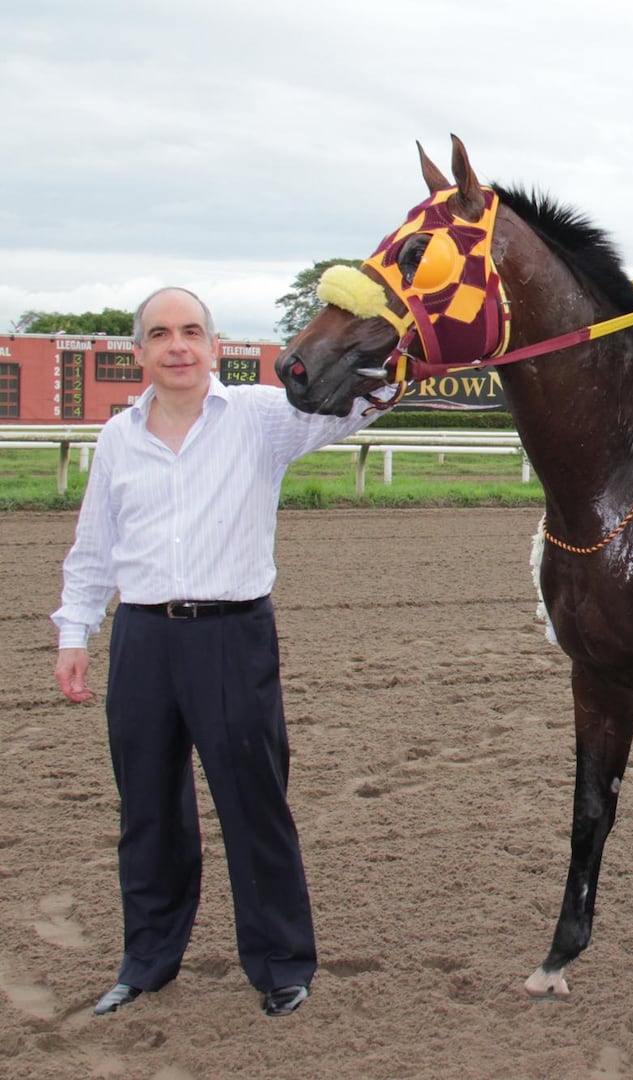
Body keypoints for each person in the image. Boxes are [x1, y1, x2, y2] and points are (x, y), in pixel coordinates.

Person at [52, 286, 389, 1018]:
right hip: (142, 641)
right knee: (148, 809)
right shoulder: (117, 438)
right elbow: (95, 546)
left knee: (253, 804)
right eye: (160, 334)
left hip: (232, 637)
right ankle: (147, 962)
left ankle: (280, 964)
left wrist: (397, 353)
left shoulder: (261, 417)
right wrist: (75, 632)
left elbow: (357, 407)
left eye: (191, 332)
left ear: (214, 346)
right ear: (139, 352)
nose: (177, 346)